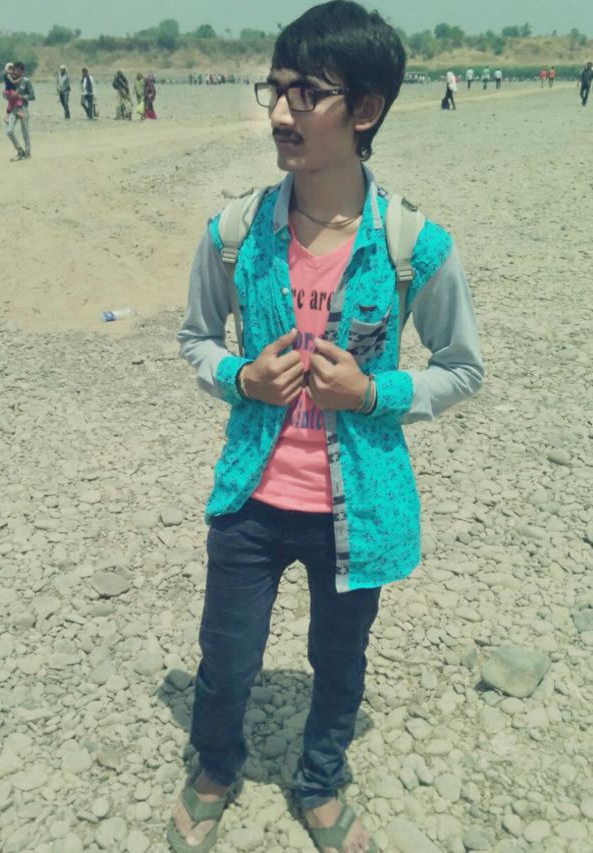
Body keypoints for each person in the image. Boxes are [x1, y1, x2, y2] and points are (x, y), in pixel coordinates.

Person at [173, 2, 484, 851]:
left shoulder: (415, 245)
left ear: (366, 108)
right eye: (275, 89)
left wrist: (374, 392)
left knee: (340, 663)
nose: (281, 112)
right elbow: (196, 338)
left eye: (306, 93)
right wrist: (239, 377)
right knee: (226, 655)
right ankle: (214, 769)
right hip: (251, 498)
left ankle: (318, 782)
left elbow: (463, 367)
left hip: (360, 509)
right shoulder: (236, 234)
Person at [5, 61, 34, 161]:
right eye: (14, 70)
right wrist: (7, 95)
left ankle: (27, 154)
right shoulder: (10, 80)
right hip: (13, 109)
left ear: (22, 71)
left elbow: (32, 96)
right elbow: (6, 95)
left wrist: (21, 97)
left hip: (23, 109)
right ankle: (20, 151)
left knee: (25, 132)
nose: (15, 72)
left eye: (17, 70)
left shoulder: (26, 81)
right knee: (9, 131)